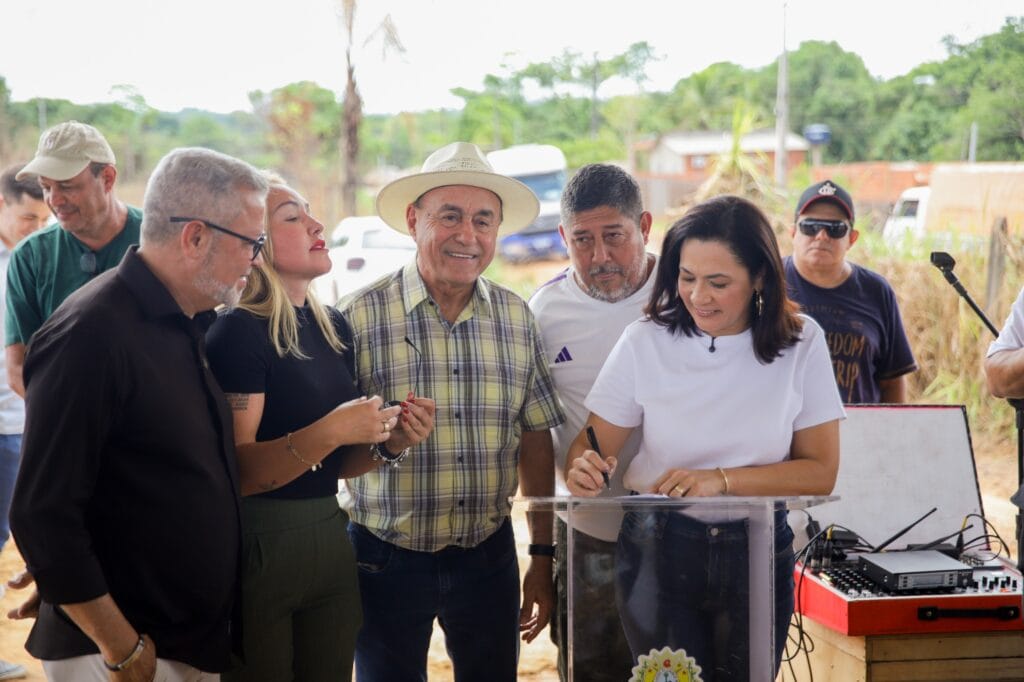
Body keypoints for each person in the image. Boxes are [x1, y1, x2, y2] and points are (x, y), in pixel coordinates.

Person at [9, 147, 269, 681]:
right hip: (122, 653)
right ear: (195, 237)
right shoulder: (91, 333)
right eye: (252, 243)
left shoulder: (182, 318)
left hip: (175, 640)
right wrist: (120, 646)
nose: (256, 260)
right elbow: (42, 513)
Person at [566, 195, 844, 680]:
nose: (698, 296)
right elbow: (591, 445)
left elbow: (820, 472)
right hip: (657, 546)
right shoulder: (644, 340)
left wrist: (721, 480)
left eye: (719, 283)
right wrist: (584, 468)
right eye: (687, 278)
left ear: (760, 276)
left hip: (757, 547)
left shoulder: (803, 342)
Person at [339, 141, 565, 681]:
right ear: (414, 220)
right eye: (450, 217)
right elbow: (330, 453)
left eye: (483, 220)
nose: (468, 236)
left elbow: (535, 439)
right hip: (382, 556)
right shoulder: (359, 317)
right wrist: (386, 442)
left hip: (486, 558)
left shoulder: (516, 319)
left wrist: (540, 554)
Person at [205, 173, 435, 682]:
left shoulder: (333, 325)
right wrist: (332, 429)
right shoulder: (236, 332)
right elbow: (240, 470)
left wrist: (390, 442)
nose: (317, 223)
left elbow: (337, 465)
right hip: (260, 540)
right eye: (293, 217)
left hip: (331, 536)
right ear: (255, 242)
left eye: (310, 212)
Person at [528, 163, 655, 681]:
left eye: (615, 237)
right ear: (563, 236)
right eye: (583, 240)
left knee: (677, 665)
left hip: (681, 533)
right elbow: (533, 438)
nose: (600, 257)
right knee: (589, 668)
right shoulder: (543, 312)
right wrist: (541, 552)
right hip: (587, 534)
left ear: (644, 227)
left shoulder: (689, 292)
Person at [5, 120, 141, 398]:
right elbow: (18, 366)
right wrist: (67, 418)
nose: (54, 199)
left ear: (108, 178)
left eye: (67, 185)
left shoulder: (157, 238)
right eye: (46, 187)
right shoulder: (30, 256)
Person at [784, 179, 917, 403]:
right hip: (785, 434)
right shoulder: (765, 283)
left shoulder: (877, 292)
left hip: (859, 432)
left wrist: (891, 433)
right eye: (810, 226)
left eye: (835, 229)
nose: (821, 236)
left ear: (852, 239)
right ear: (793, 232)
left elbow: (892, 380)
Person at [0, 163, 49, 681]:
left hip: (17, 422)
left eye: (43, 219)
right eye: (27, 217)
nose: (34, 227)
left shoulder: (30, 260)